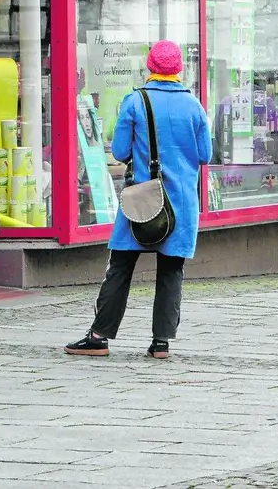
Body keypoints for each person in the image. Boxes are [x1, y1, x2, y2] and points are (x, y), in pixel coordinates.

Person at [66, 40, 211, 360]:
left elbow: (119, 152)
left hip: (142, 198)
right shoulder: (194, 106)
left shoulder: (134, 101)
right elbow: (205, 154)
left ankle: (99, 336)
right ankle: (161, 343)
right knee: (171, 269)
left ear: (150, 67)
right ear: (178, 69)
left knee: (120, 265)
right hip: (181, 204)